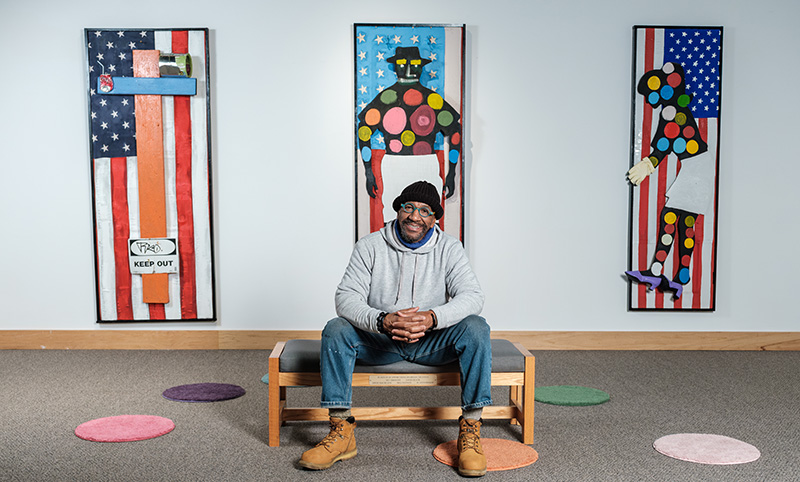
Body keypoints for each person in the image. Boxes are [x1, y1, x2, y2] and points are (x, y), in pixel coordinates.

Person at [298, 180, 491, 477]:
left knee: (476, 327)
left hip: (431, 342)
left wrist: (432, 318)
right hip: (379, 342)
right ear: (398, 210)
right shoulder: (369, 246)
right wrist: (382, 320)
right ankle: (341, 432)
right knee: (335, 329)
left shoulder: (450, 248)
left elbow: (472, 296)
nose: (415, 216)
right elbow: (346, 297)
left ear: (434, 218)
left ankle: (471, 429)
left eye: (425, 211)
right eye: (409, 207)